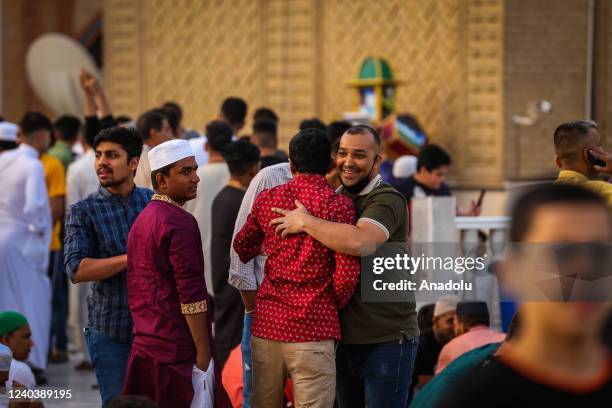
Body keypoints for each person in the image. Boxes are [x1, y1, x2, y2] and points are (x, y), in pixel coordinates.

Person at [271, 125, 419, 407]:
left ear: (378, 161)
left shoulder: (386, 199)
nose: (349, 162)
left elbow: (361, 242)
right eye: (342, 153)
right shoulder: (331, 198)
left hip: (386, 340)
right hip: (339, 340)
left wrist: (305, 221)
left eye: (360, 155)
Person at [441, 183, 612, 406]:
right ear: (511, 272)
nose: (586, 271)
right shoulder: (476, 399)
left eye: (600, 252)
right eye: (562, 252)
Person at [233, 128, 360, 408]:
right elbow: (347, 274)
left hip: (268, 325)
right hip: (314, 327)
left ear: (291, 164)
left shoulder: (269, 199)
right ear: (329, 164)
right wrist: (328, 303)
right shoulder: (339, 206)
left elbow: (242, 246)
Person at [123, 139, 230, 408]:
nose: (195, 178)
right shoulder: (178, 221)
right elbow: (191, 294)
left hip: (148, 342)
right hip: (176, 348)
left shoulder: (145, 218)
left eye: (194, 169)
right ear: (161, 179)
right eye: (185, 172)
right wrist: (204, 353)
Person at [64, 126, 151, 407]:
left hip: (153, 330)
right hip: (110, 331)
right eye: (99, 155)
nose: (102, 162)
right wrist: (131, 258)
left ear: (134, 162)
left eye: (112, 155)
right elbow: (76, 269)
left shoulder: (152, 203)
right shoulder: (84, 211)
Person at [228, 161, 293, 408]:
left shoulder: (339, 194)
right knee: (259, 397)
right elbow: (240, 251)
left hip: (313, 320)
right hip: (264, 312)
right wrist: (253, 310)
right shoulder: (271, 178)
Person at [66, 71, 113, 370]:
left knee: (82, 298)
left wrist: (91, 94)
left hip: (84, 242)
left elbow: (71, 207)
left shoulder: (77, 167)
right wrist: (96, 93)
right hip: (112, 238)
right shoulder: (118, 161)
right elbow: (110, 127)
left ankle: (84, 353)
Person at [0, 117, 51, 373]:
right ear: (42, 135)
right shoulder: (32, 165)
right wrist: (42, 233)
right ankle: (32, 362)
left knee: (5, 301)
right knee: (33, 302)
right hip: (22, 239)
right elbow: (35, 206)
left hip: (2, 235)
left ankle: (6, 362)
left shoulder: (3, 160)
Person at [211, 140, 261, 368]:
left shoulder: (221, 196)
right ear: (253, 168)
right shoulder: (244, 200)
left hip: (222, 280)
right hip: (239, 285)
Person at [410, 311, 521, 408]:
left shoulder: (475, 354)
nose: (453, 327)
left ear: (462, 325)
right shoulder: (499, 363)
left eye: (454, 321)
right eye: (450, 321)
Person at [185, 121, 233, 293]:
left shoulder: (192, 179)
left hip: (197, 264)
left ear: (206, 146)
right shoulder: (240, 178)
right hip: (232, 268)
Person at [392, 144, 480, 217]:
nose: (442, 179)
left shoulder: (443, 190)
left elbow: (452, 214)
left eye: (444, 174)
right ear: (424, 170)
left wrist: (468, 214)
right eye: (439, 174)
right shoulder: (400, 191)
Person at [435, 301, 505, 374]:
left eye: (455, 323)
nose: (453, 327)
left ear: (461, 325)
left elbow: (439, 384)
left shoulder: (450, 348)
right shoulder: (507, 340)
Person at [553, 120, 612, 206]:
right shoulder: (602, 191)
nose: (603, 151)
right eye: (599, 145)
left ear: (558, 162)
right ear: (588, 155)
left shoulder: (546, 195)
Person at [411, 296, 458, 392]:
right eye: (450, 321)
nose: (454, 327)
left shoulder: (455, 341)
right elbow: (427, 387)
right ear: (435, 320)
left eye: (457, 322)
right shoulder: (423, 346)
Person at [134, 109, 174, 189]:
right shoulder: (156, 160)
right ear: (154, 133)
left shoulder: (133, 154)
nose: (171, 136)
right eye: (167, 130)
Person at [0, 311, 38, 392]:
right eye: (26, 337)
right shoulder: (20, 370)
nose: (31, 343)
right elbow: (37, 404)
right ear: (6, 339)